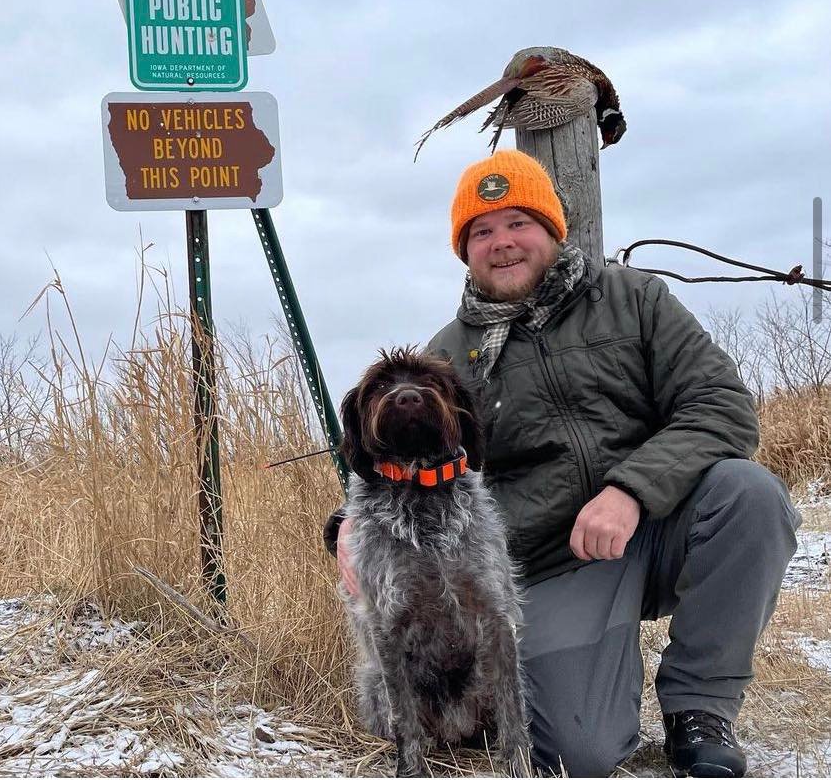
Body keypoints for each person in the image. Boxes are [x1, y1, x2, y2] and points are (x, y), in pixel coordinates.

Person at [327, 149, 801, 777]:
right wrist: (347, 527)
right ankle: (594, 671)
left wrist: (630, 489)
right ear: (464, 251)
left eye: (518, 222)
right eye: (481, 231)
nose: (502, 243)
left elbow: (723, 407)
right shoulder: (448, 359)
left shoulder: (636, 300)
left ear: (553, 228)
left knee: (751, 496)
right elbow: (405, 472)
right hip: (558, 563)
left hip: (664, 522)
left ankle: (701, 708)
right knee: (577, 753)